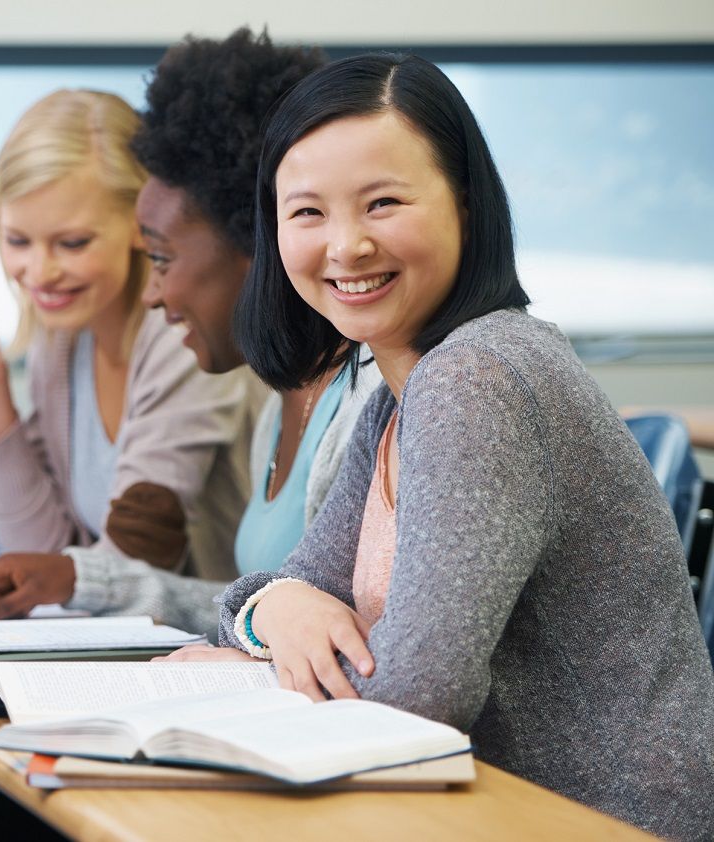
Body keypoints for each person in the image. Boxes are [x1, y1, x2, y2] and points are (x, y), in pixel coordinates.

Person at [205, 53, 714, 839]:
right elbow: (281, 587)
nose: (345, 247)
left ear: (466, 208)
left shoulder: (479, 379)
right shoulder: (397, 396)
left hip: (593, 825)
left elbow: (414, 700)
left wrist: (256, 642)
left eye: (383, 203)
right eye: (307, 213)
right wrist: (269, 609)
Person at [0, 31, 382, 638]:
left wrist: (84, 581)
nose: (41, 273)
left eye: (160, 257)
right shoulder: (279, 403)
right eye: (18, 240)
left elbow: (343, 633)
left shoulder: (366, 398)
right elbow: (260, 611)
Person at [0, 89, 258, 600]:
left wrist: (52, 577)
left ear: (142, 223)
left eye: (72, 243)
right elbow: (43, 553)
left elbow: (127, 568)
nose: (41, 274)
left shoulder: (184, 341)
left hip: (212, 642)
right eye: (18, 241)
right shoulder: (63, 335)